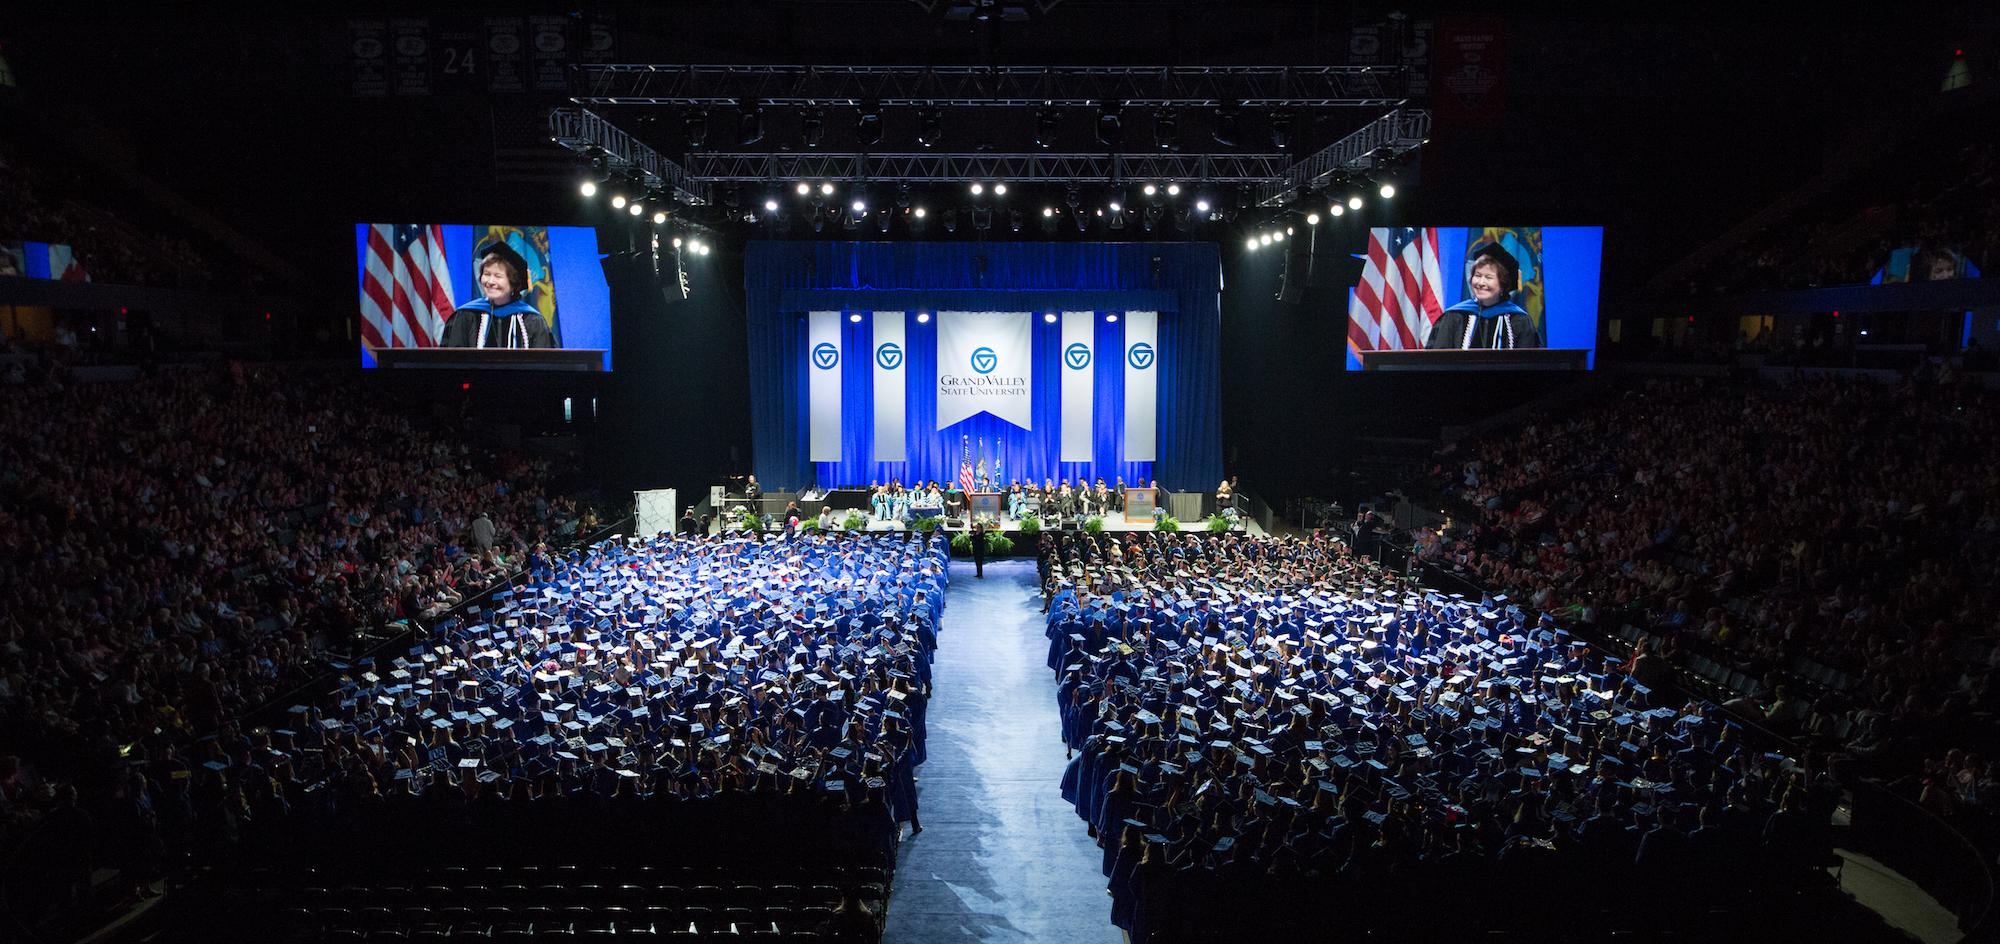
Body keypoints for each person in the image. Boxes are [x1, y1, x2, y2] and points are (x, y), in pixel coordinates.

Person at [1425, 243, 1543, 350]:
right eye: (1477, 275)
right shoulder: (1455, 316)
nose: (1481, 282)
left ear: (1503, 284)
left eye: (1488, 277)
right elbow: (1439, 359)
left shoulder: (1518, 320)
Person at [440, 241, 556, 349]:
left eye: (498, 276)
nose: (490, 282)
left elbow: (543, 363)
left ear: (513, 282)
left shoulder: (532, 320)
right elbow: (453, 360)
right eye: (486, 274)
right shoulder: (466, 315)